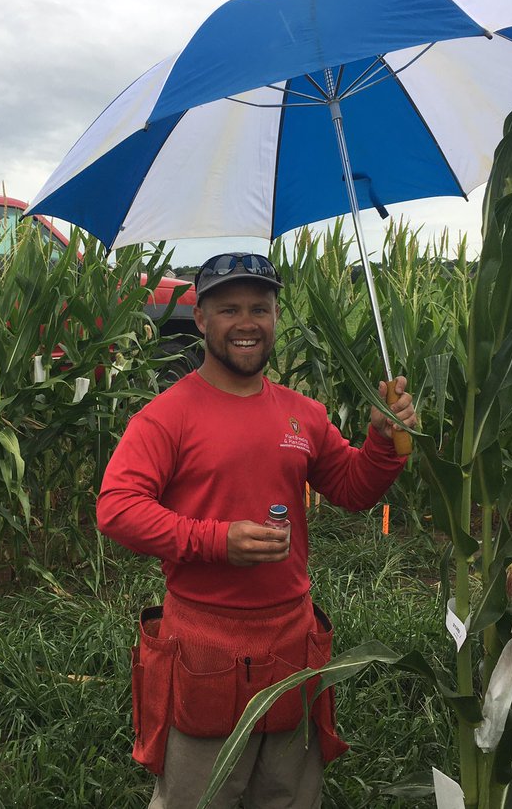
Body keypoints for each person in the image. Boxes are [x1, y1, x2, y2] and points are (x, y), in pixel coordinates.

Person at [97, 252, 416, 808]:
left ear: (274, 318)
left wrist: (383, 444)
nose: (247, 323)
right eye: (229, 310)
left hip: (291, 640)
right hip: (202, 646)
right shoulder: (166, 417)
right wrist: (217, 541)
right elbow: (118, 508)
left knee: (289, 797)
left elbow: (352, 489)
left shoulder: (303, 414)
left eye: (260, 309)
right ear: (200, 320)